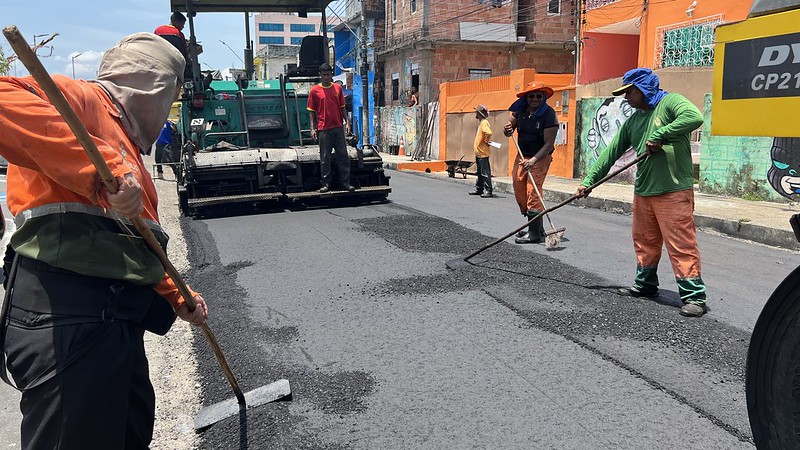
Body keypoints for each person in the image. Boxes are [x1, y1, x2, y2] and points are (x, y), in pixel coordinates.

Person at [0, 33, 209, 449]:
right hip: (64, 316)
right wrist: (100, 169)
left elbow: (137, 241)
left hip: (114, 320)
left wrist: (176, 294)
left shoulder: (129, 151)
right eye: (168, 97)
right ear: (151, 86)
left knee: (129, 432)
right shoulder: (79, 99)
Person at [575, 67, 707, 318]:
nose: (625, 98)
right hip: (644, 190)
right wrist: (589, 181)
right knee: (645, 240)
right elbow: (610, 153)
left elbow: (694, 117)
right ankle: (646, 285)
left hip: (673, 190)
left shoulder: (670, 103)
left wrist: (661, 133)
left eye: (629, 92)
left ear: (643, 89)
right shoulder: (633, 121)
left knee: (681, 244)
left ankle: (694, 297)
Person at [503, 81, 558, 244]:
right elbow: (509, 129)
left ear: (543, 97)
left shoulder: (548, 114)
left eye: (539, 96)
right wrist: (507, 129)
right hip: (522, 156)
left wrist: (533, 160)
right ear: (526, 98)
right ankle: (537, 228)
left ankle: (534, 234)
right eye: (531, 96)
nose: (535, 99)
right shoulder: (520, 111)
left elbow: (548, 144)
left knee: (532, 191)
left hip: (540, 157)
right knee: (519, 186)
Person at [307, 62, 354, 193]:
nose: (326, 77)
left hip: (338, 128)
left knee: (343, 156)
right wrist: (312, 128)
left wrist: (347, 123)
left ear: (331, 75)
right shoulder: (314, 91)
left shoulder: (337, 89)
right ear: (320, 75)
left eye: (328, 75)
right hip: (323, 129)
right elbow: (311, 111)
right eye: (323, 75)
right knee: (325, 158)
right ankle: (325, 184)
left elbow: (342, 108)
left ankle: (345, 182)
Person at [154, 11, 198, 82]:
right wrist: (191, 46)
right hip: (175, 64)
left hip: (159, 61)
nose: (183, 27)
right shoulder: (179, 34)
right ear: (175, 22)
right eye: (182, 24)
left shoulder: (158, 30)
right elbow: (184, 53)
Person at [469, 104, 493, 198]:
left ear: (479, 114)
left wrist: (486, 141)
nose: (475, 113)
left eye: (476, 112)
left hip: (483, 153)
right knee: (479, 172)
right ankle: (479, 189)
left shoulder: (484, 123)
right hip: (479, 153)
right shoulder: (482, 122)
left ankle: (488, 190)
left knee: (485, 172)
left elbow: (488, 132)